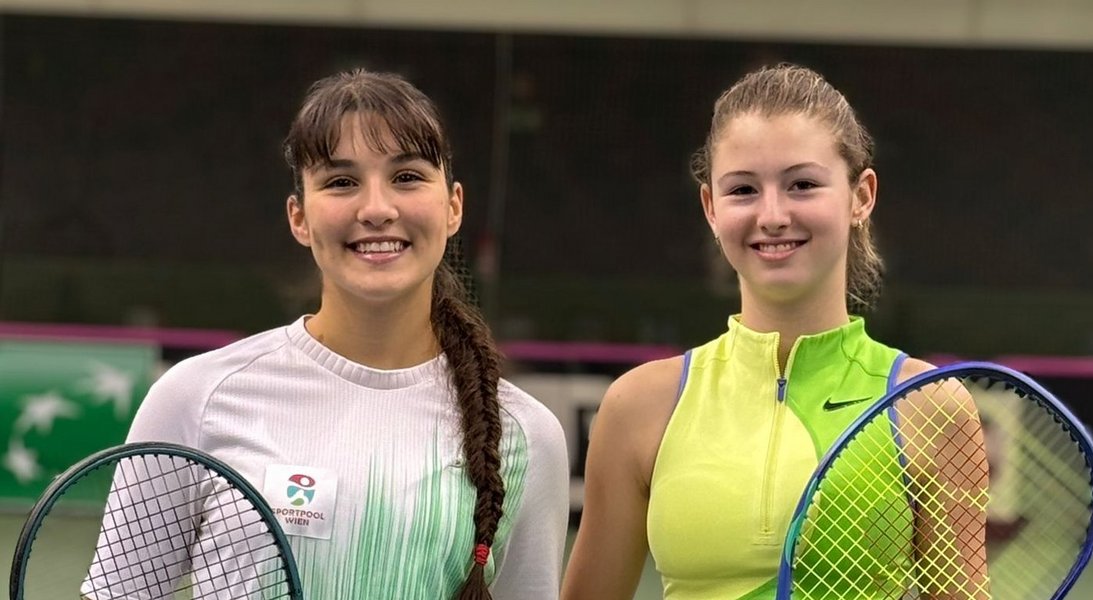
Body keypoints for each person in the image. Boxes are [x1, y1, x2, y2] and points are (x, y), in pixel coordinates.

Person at [84, 69, 569, 600]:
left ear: (453, 206)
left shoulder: (525, 434)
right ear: (299, 218)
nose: (377, 209)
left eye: (407, 176)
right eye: (341, 182)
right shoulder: (196, 398)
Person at [562, 63, 987, 599]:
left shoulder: (930, 406)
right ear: (710, 208)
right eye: (743, 189)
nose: (772, 215)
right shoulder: (637, 407)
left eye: (802, 184)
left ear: (861, 196)